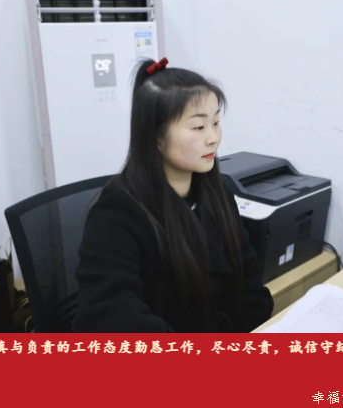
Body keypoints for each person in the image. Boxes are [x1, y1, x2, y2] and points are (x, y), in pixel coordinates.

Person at [73, 57, 274, 332]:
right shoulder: (117, 214)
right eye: (199, 127)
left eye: (216, 122)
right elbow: (111, 315)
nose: (213, 137)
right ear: (156, 138)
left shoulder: (218, 195)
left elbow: (249, 285)